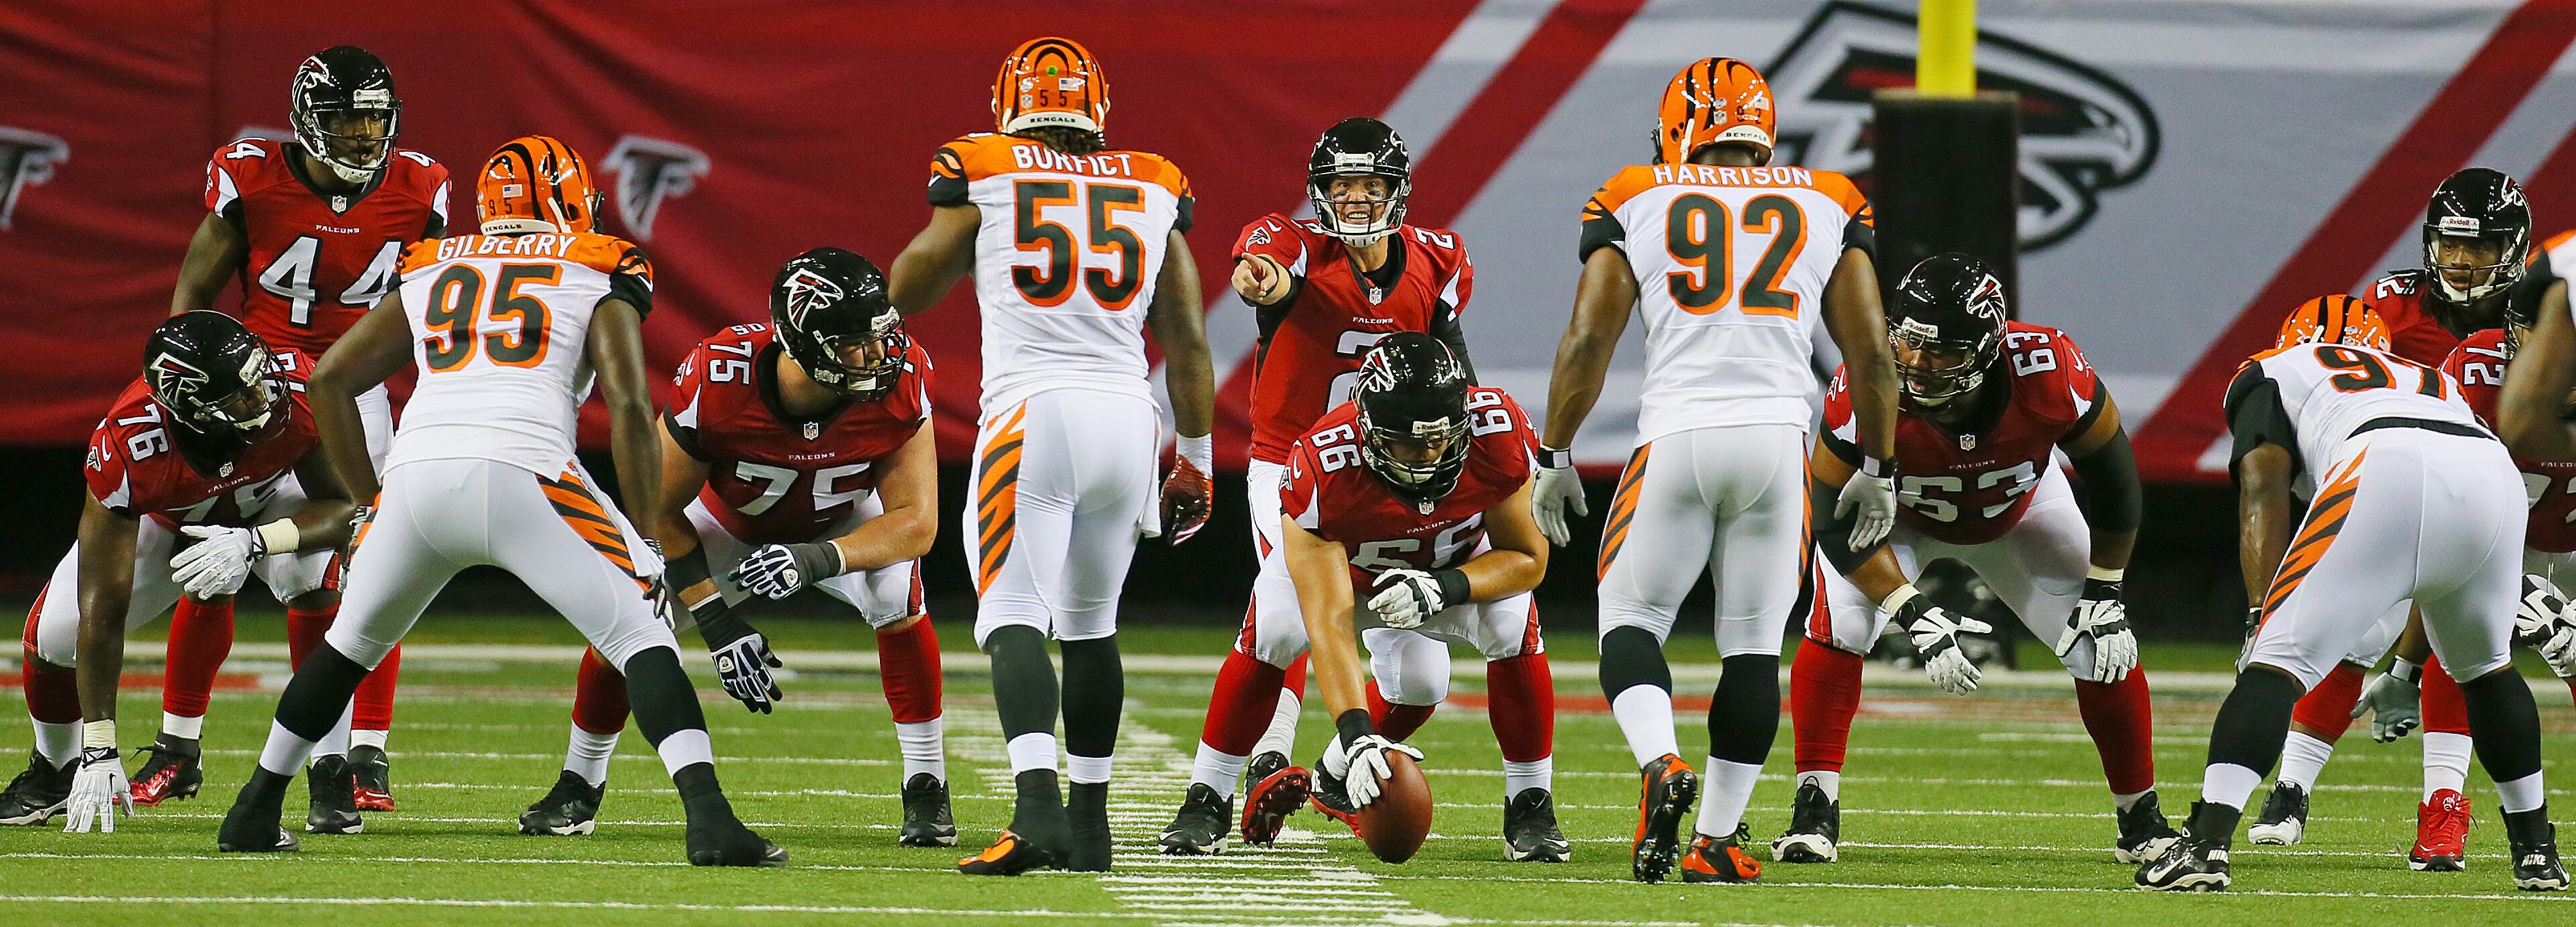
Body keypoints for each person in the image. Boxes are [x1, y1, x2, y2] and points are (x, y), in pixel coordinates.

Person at [211, 136, 782, 866]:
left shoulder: (431, 263)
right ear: (571, 199)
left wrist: (367, 503)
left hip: (418, 476)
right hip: (528, 469)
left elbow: (329, 381)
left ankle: (254, 806)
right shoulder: (597, 263)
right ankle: (711, 819)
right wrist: (643, 536)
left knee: (348, 647)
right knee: (643, 636)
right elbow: (633, 405)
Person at [1532, 56, 1899, 883]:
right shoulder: (1830, 199)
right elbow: (1871, 351)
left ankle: (1661, 762)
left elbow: (1590, 340)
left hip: (1680, 436)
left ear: (1677, 130)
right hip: (1779, 445)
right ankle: (1715, 839)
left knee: (1629, 619)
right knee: (1752, 649)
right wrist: (1879, 462)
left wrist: (1553, 452)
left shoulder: (1636, 192)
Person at [1159, 117, 1556, 859]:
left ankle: (1341, 767)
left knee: (1422, 674)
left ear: (1398, 191)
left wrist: (1461, 468)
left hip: (1411, 462)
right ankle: (1238, 776)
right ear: (1320, 192)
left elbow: (1457, 371)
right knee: (1287, 617)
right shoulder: (1301, 248)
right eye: (1342, 186)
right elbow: (1264, 261)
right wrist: (1258, 276)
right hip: (1303, 463)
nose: (1358, 199)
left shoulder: (1439, 259)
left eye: (1371, 186)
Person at [887, 36, 1216, 875]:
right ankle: (1091, 826)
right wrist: (1200, 457)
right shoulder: (1153, 179)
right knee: (1092, 624)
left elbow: (911, 286)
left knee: (1011, 616)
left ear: (1011, 101)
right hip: (1127, 417)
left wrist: (969, 240)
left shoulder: (985, 165)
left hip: (1033, 413)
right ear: (1095, 107)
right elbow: (1184, 336)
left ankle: (1037, 811)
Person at [516, 248, 954, 846]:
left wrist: (816, 559)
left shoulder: (902, 381)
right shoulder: (720, 378)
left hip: (842, 528)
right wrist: (717, 621)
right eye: (856, 342)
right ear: (806, 343)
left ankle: (927, 787)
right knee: (628, 619)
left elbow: (916, 522)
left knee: (898, 595)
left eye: (882, 334)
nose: (879, 355)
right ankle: (578, 783)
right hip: (728, 527)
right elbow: (658, 508)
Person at [2135, 301, 2563, 891]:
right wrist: (2410, 663)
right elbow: (2433, 558)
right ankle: (2536, 850)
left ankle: (2206, 845)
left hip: (2379, 465)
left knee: (2275, 665)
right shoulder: (2432, 378)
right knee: (2487, 669)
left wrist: (2262, 613)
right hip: (2490, 475)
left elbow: (2263, 485)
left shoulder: (2272, 367)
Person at [1774, 254, 2170, 866]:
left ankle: (2140, 819)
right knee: (1844, 626)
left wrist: (2107, 590)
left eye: (1943, 353)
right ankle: (1813, 809)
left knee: (2102, 647)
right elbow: (1829, 517)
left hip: (2021, 511)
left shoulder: (2047, 368)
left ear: (1988, 350)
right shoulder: (1866, 380)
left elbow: (2116, 481)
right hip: (1896, 520)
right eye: (1908, 344)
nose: (1917, 365)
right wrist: (1912, 612)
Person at [151, 44, 449, 815]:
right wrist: (188, 383)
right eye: (346, 117)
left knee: (355, 567)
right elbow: (194, 289)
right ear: (308, 121)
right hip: (256, 384)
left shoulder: (422, 187)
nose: (361, 134)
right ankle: (177, 744)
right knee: (207, 551)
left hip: (354, 391)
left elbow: (431, 304)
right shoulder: (251, 175)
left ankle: (353, 756)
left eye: (374, 118)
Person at [4, 313, 356, 834]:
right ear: (192, 409)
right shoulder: (131, 445)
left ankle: (330, 768)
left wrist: (258, 541)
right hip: (171, 522)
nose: (264, 396)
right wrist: (99, 744)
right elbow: (101, 608)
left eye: (259, 379)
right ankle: (54, 771)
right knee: (53, 635)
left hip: (269, 509)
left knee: (317, 574)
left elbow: (347, 506)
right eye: (241, 396)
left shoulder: (299, 389)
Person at [1274, 335, 1552, 849]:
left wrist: (1445, 588)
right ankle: (1210, 791)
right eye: (1408, 441)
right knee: (1273, 627)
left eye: (1441, 439)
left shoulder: (1498, 431)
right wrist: (1357, 734)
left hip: (1453, 569)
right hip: (1358, 579)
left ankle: (1532, 806)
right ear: (1371, 432)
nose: (1428, 455)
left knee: (1504, 631)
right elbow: (1330, 622)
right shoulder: (1325, 463)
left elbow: (1530, 558)